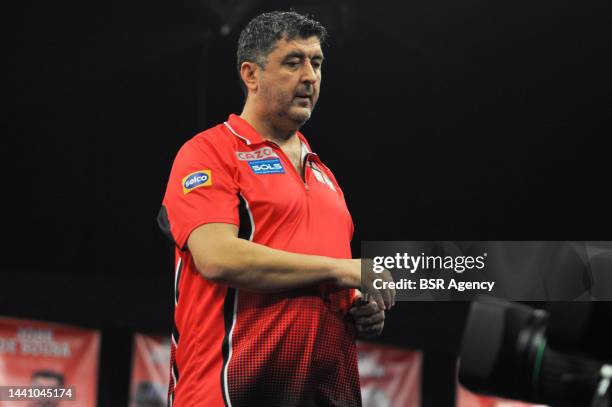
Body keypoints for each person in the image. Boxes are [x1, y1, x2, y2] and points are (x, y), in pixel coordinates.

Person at [158, 10, 394, 406]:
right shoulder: (209, 152)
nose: (310, 77)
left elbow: (325, 280)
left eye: (316, 63)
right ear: (251, 75)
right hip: (229, 393)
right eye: (293, 62)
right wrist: (344, 268)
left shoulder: (326, 178)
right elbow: (218, 257)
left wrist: (358, 305)